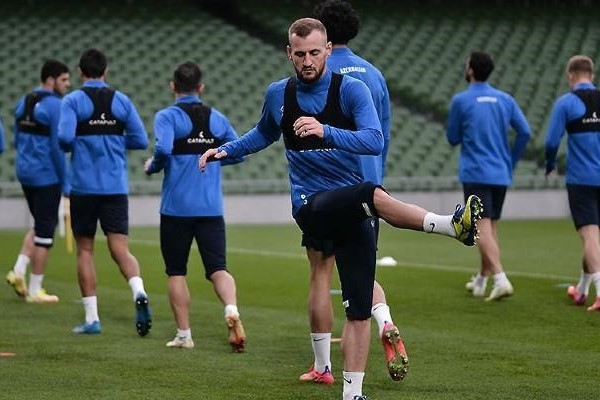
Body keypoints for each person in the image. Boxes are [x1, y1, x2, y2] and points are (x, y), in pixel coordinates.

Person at [200, 18, 482, 400]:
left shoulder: (351, 90)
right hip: (311, 204)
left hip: (352, 204)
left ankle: (353, 393)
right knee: (369, 195)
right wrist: (225, 150)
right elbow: (263, 133)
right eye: (300, 54)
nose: (307, 61)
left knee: (359, 308)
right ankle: (449, 225)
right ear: (289, 53)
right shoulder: (279, 94)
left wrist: (325, 130)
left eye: (315, 53)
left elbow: (374, 140)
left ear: (329, 50)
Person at [296, 0, 406, 385]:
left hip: (326, 189)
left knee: (320, 272)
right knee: (361, 271)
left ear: (323, 37)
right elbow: (381, 137)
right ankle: (384, 320)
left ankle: (323, 366)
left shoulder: (318, 75)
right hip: (368, 190)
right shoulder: (373, 75)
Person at [144, 62, 246, 351]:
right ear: (201, 87)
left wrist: (153, 166)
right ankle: (231, 309)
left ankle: (184, 335)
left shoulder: (167, 116)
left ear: (172, 86)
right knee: (218, 268)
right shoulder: (217, 118)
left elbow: (163, 149)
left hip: (176, 209)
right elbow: (239, 151)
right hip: (211, 208)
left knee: (176, 271)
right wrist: (212, 158)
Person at [58, 48, 152, 336]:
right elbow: (140, 140)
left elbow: (63, 139)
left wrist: (87, 139)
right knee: (120, 249)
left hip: (84, 187)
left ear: (80, 72)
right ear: (105, 71)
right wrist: (112, 139)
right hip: (115, 187)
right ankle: (138, 290)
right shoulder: (121, 100)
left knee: (85, 250)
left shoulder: (73, 100)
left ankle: (92, 319)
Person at [446, 51, 531, 302]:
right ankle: (482, 280)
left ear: (471, 70)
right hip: (500, 173)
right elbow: (525, 132)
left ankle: (501, 279)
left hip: (476, 171)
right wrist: (510, 161)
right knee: (490, 229)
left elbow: (452, 138)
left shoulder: (461, 100)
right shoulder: (505, 99)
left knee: (480, 229)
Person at [5, 60, 71, 303]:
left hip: (25, 172)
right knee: (45, 232)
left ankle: (18, 271)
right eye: (64, 79)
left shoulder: (24, 101)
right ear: (51, 80)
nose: (68, 84)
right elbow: (57, 148)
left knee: (39, 223)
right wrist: (66, 183)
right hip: (46, 176)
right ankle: (35, 290)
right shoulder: (56, 106)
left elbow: (16, 138)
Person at [545, 55, 600, 312]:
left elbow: (551, 142)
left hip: (582, 179)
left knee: (589, 234)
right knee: (593, 238)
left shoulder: (566, 103)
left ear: (570, 76)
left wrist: (550, 164)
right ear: (592, 75)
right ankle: (581, 290)